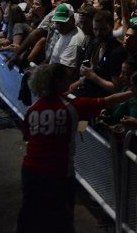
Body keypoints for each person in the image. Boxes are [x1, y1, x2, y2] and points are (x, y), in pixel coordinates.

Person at [17, 63, 131, 233]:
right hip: (59, 173)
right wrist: (135, 92)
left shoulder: (32, 110)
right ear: (56, 82)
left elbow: (29, 140)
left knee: (30, 215)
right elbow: (108, 101)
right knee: (62, 220)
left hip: (30, 171)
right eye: (66, 78)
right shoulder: (73, 106)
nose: (70, 81)